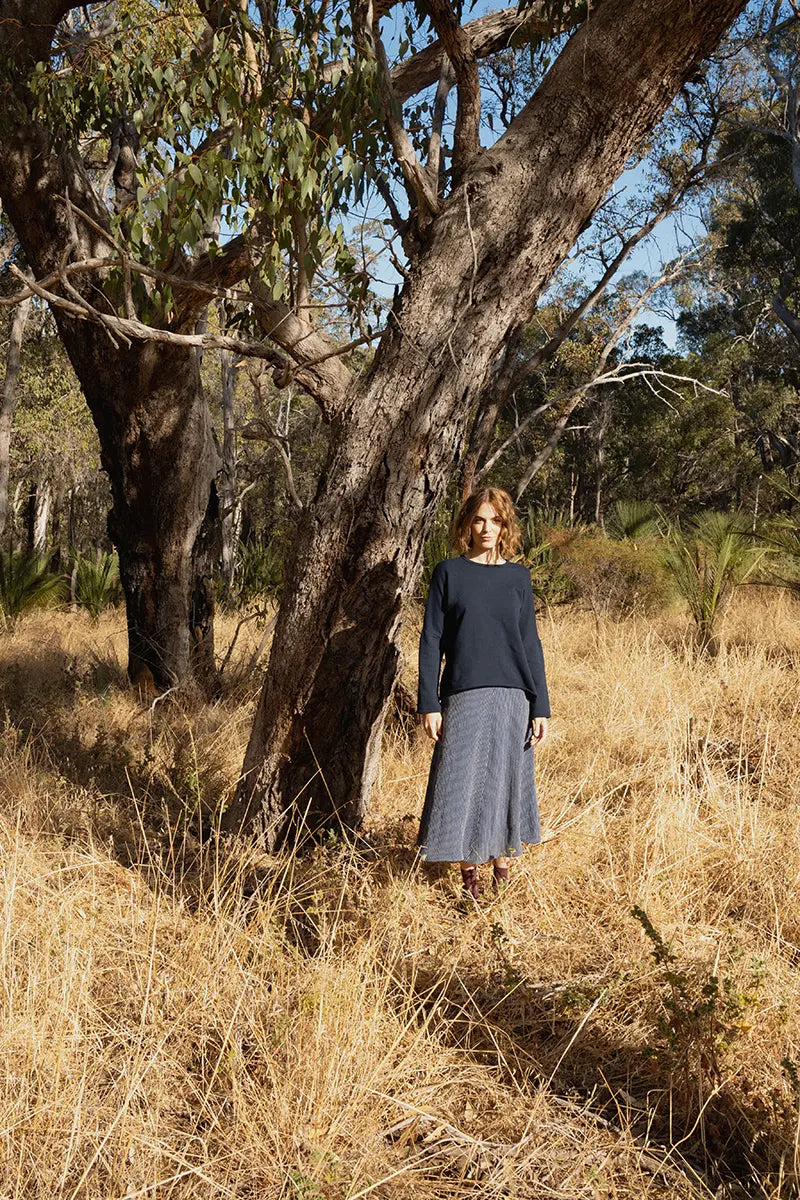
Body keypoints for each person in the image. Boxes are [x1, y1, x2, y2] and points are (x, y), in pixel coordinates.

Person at [417, 487, 550, 899]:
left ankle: (502, 884)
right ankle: (471, 886)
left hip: (515, 697)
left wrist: (540, 705)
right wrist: (429, 702)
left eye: (495, 520)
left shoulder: (517, 577)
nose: (486, 528)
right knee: (464, 784)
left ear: (506, 525)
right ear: (467, 525)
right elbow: (431, 639)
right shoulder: (449, 573)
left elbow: (530, 643)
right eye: (479, 520)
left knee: (505, 783)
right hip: (463, 694)